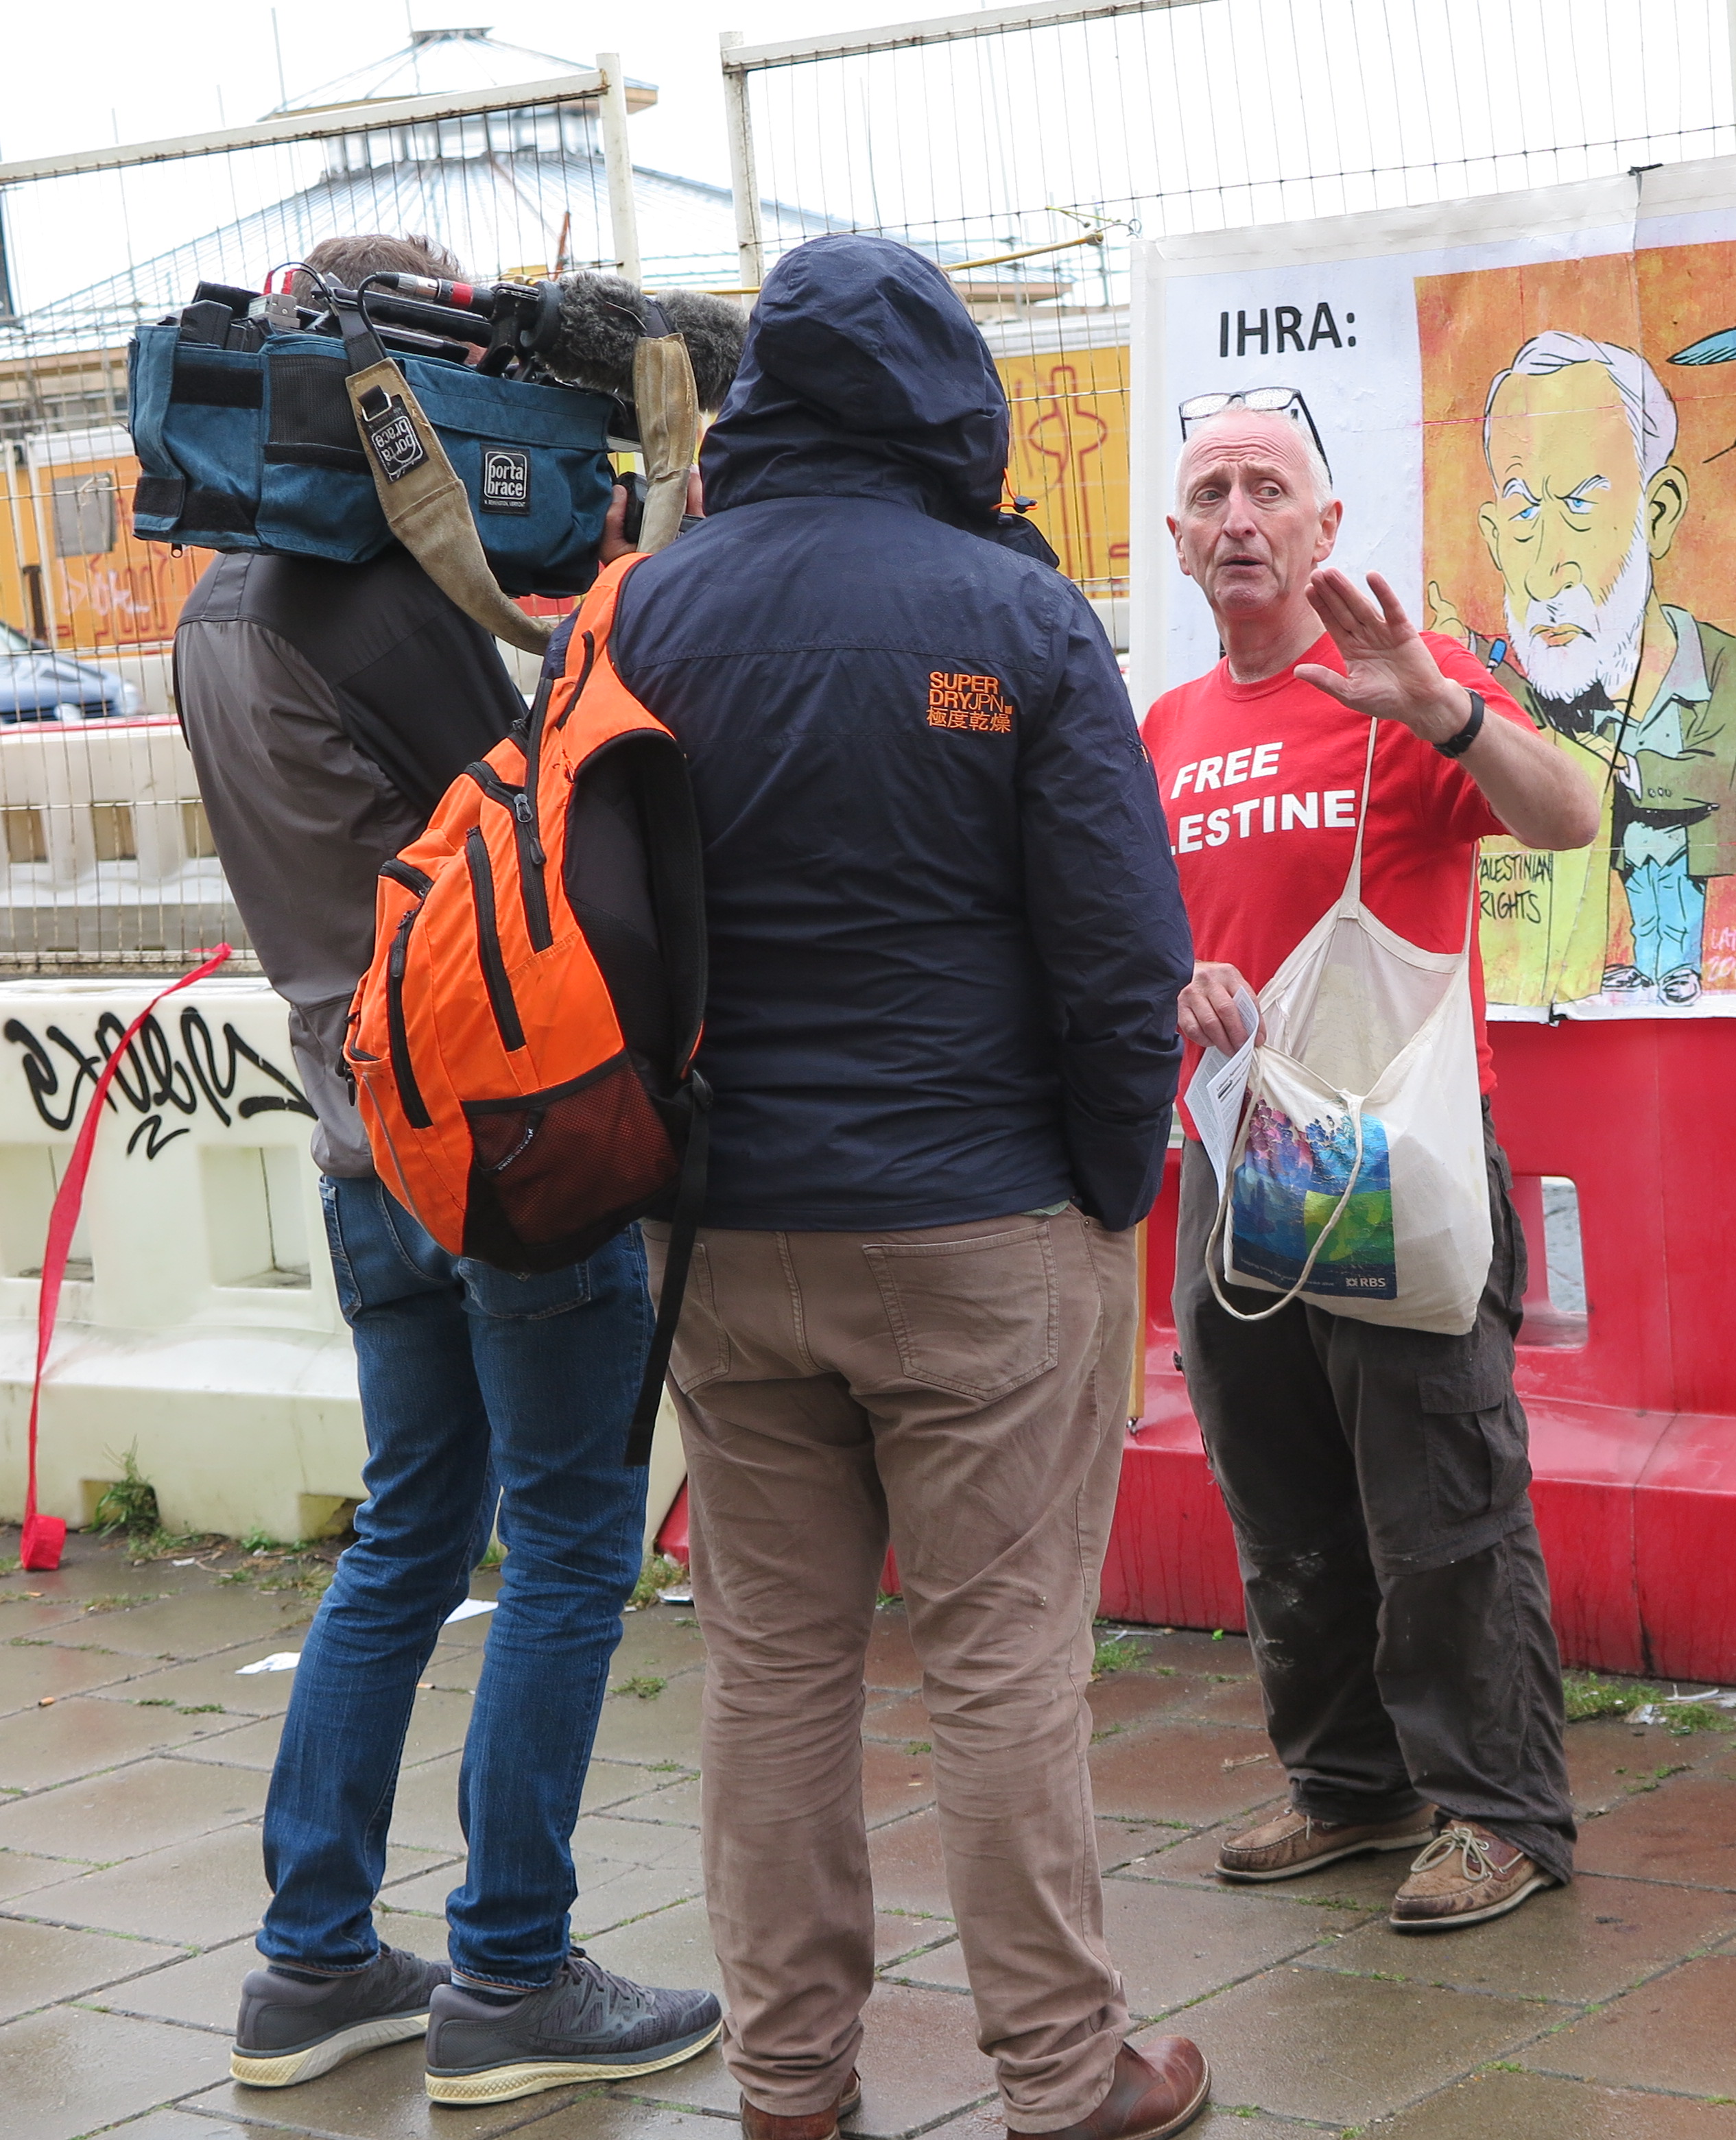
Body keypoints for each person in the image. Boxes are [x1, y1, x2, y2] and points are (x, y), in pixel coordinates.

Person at [606, 233, 1204, 2140]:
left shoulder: (629, 615)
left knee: (774, 1670)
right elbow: (1124, 962)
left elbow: (585, 927)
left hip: (719, 1233)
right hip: (979, 1225)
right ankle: (1063, 2076)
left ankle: (790, 2087)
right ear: (956, 391)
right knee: (1004, 1667)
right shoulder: (1017, 620)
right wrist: (1107, 1195)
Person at [175, 231, 720, 2101]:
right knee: (568, 1541)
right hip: (518, 1147)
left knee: (410, 1538)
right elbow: (552, 810)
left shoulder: (222, 603)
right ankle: (512, 1971)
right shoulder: (401, 604)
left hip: (355, 1134)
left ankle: (311, 1960)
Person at [1149, 397, 1599, 1931]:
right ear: (1177, 541)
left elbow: (1571, 816)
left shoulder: (1402, 687)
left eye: (1268, 488)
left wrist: (1447, 714)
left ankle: (1501, 1812)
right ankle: (1348, 1786)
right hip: (1233, 1159)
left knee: (1441, 1492)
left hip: (1397, 1151)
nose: (1238, 519)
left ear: (1325, 527)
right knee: (1279, 1500)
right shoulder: (1167, 731)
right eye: (1210, 492)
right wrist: (1173, 988)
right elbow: (1138, 940)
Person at [1435, 331, 1736, 1005]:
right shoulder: (1528, 682)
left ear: (1655, 514)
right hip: (1607, 876)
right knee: (1637, 894)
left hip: (1671, 843)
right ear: (1492, 535)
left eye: (1579, 503)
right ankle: (1645, 961)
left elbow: (1714, 776)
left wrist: (1627, 765)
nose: (1547, 567)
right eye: (1522, 508)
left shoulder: (1716, 659)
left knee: (1669, 901)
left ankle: (1676, 967)